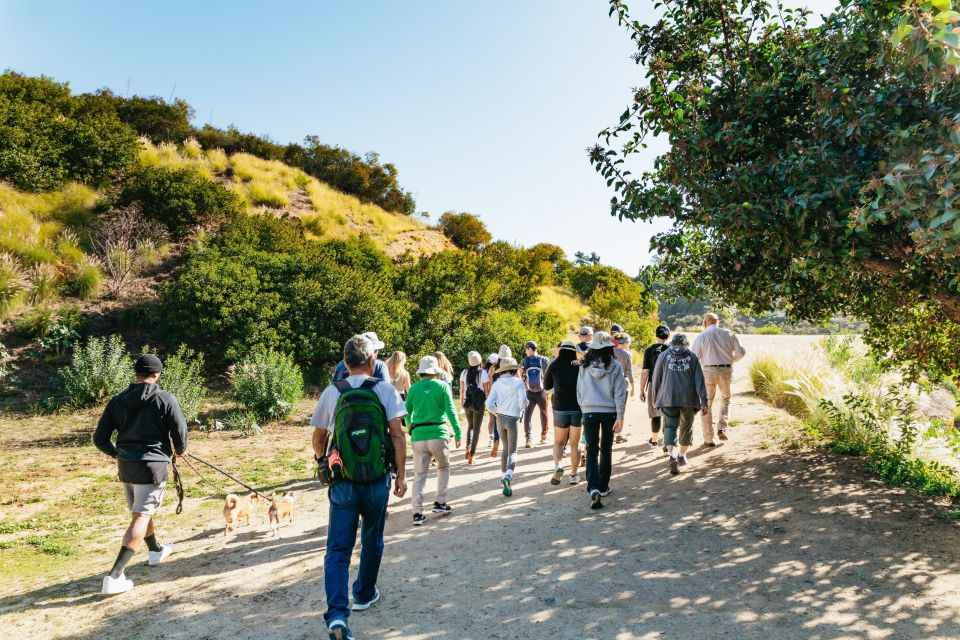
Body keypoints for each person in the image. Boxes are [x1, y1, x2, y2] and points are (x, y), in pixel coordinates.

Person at [311, 335, 408, 640]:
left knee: (338, 549)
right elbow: (398, 436)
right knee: (372, 540)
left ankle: (338, 615)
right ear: (371, 362)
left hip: (344, 483)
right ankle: (364, 593)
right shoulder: (385, 390)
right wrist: (401, 475)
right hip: (377, 480)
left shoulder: (332, 392)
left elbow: (318, 438)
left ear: (345, 362)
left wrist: (322, 461)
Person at [93, 354, 187, 595]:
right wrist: (180, 450)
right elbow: (179, 430)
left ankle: (155, 550)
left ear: (136, 373)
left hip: (126, 466)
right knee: (140, 517)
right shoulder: (165, 398)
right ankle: (114, 577)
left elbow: (99, 438)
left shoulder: (117, 401)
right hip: (152, 466)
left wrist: (117, 454)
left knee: (141, 512)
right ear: (156, 374)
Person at [405, 356, 462, 525]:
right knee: (443, 468)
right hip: (438, 432)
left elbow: (406, 411)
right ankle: (440, 502)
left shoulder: (414, 388)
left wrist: (410, 426)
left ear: (421, 372)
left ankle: (417, 513)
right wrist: (458, 433)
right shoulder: (443, 386)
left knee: (419, 475)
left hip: (419, 435)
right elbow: (451, 411)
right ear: (435, 371)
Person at [576, 332, 627, 510]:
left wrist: (584, 409)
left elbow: (579, 391)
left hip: (589, 410)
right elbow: (620, 393)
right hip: (609, 412)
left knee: (591, 449)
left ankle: (593, 487)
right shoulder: (615, 366)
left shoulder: (583, 366)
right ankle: (604, 486)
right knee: (606, 448)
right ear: (608, 348)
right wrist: (620, 416)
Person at [651, 333, 709, 475]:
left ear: (672, 343)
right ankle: (682, 456)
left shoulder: (663, 356)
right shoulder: (692, 357)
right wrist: (704, 401)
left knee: (670, 426)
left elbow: (656, 377)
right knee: (686, 426)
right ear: (686, 344)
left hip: (668, 397)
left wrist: (655, 398)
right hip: (688, 398)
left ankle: (672, 455)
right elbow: (699, 380)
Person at [690, 313, 746, 446]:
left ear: (704, 323)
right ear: (717, 322)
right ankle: (722, 427)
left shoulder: (702, 336)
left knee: (706, 403)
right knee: (726, 399)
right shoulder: (729, 333)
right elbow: (741, 353)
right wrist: (730, 359)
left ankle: (708, 439)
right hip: (726, 370)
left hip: (708, 371)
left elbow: (694, 359)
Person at [485, 357, 528, 497]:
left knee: (505, 449)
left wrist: (496, 412)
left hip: (500, 418)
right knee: (513, 450)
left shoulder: (497, 383)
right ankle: (509, 474)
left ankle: (503, 477)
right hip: (513, 418)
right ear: (514, 369)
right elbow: (523, 400)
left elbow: (489, 403)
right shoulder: (518, 383)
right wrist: (521, 409)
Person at [544, 341, 583, 485]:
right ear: (574, 353)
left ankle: (558, 465)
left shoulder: (553, 365)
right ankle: (573, 475)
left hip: (559, 408)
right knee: (574, 444)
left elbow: (546, 386)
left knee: (559, 442)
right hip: (577, 408)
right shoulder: (579, 367)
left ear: (560, 351)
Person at [640, 325, 671, 451]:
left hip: (654, 385)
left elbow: (645, 372)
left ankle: (654, 440)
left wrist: (642, 390)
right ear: (668, 336)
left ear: (656, 335)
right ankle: (668, 440)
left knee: (655, 414)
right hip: (669, 384)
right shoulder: (672, 349)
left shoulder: (649, 350)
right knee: (669, 413)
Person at [459, 351, 490, 464]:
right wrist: (486, 402)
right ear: (479, 361)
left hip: (468, 403)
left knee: (470, 426)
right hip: (478, 404)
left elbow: (462, 390)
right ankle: (472, 455)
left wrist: (462, 402)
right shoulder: (483, 373)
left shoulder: (464, 372)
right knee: (476, 429)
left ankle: (467, 448)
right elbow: (486, 391)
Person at [520, 341, 551, 447]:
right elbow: (548, 374)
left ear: (529, 349)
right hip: (542, 391)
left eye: (526, 349)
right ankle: (544, 435)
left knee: (527, 415)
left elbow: (521, 376)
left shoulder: (524, 361)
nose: (525, 351)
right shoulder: (544, 359)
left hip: (529, 391)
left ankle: (528, 438)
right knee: (544, 413)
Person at [612, 333, 635, 443]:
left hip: (610, 384)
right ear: (624, 342)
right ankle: (618, 435)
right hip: (623, 384)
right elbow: (629, 371)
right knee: (620, 410)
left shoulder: (610, 352)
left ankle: (610, 433)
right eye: (628, 342)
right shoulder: (627, 354)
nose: (629, 344)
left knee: (611, 409)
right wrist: (633, 386)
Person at [485, 353, 501, 456]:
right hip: (502, 396)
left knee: (492, 419)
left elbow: (489, 385)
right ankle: (502, 439)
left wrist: (489, 397)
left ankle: (492, 439)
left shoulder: (490, 369)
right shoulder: (502, 368)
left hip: (492, 396)